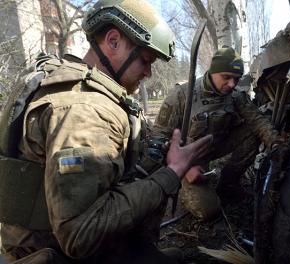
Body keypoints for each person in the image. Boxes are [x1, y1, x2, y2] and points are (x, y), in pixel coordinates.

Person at [0, 0, 212, 263]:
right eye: (145, 60)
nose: (148, 72)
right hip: (59, 254)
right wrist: (172, 174)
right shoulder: (85, 111)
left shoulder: (71, 82)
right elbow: (80, 235)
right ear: (113, 41)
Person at [153, 47, 283, 221]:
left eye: (236, 79)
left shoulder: (235, 96)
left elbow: (257, 121)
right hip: (188, 158)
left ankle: (228, 183)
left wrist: (276, 143)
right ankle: (186, 184)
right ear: (212, 71)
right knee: (209, 211)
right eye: (226, 77)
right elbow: (159, 138)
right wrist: (184, 169)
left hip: (217, 145)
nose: (232, 84)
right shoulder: (182, 95)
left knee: (253, 132)